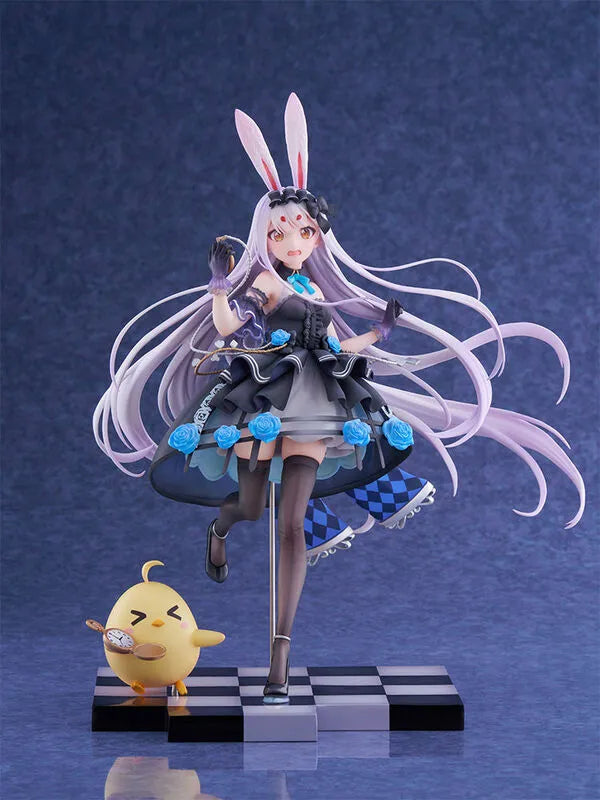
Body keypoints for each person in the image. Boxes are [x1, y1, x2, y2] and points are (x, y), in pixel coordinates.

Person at [93, 93, 584, 703]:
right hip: (263, 400)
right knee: (250, 508)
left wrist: (379, 334)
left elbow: (332, 342)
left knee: (291, 522)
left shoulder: (311, 283)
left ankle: (281, 654)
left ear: (318, 233)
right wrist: (220, 284)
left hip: (316, 404)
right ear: (264, 235)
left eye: (304, 230)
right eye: (280, 231)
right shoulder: (263, 281)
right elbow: (226, 327)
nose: (294, 240)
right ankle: (220, 531)